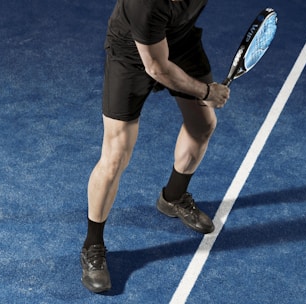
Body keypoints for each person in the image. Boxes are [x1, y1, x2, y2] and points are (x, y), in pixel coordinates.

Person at [81, 0, 230, 293]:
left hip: (180, 40)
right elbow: (157, 67)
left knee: (202, 124)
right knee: (116, 155)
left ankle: (172, 197)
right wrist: (206, 91)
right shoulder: (145, 4)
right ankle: (93, 245)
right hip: (132, 55)